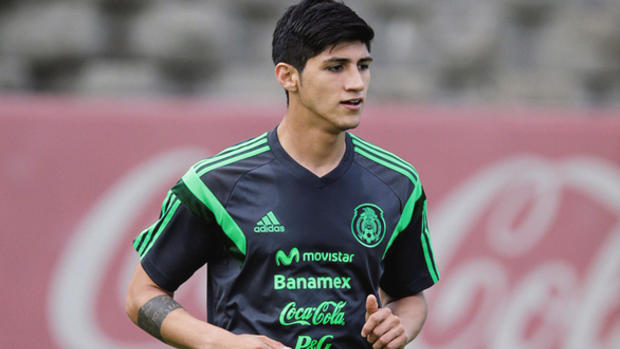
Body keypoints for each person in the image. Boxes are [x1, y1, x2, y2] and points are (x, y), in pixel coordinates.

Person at [125, 0, 439, 348]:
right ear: (288, 76)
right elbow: (142, 294)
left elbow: (410, 296)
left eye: (363, 66)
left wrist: (400, 327)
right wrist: (222, 343)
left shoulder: (398, 183)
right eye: (336, 67)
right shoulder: (216, 182)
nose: (356, 83)